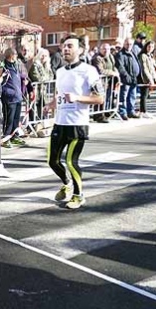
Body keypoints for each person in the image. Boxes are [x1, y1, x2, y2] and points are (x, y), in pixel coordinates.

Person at [45, 34, 104, 210]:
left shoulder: (88, 70)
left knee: (71, 162)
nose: (66, 49)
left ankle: (79, 196)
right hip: (60, 123)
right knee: (52, 161)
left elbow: (100, 98)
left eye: (70, 46)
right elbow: (59, 95)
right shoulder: (60, 71)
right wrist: (51, 104)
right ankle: (67, 183)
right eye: (64, 46)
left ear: (80, 50)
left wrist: (77, 98)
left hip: (77, 124)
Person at [0, 48, 26, 147]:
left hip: (17, 96)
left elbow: (18, 76)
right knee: (9, 120)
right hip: (9, 97)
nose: (16, 56)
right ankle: (5, 138)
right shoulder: (3, 66)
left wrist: (24, 79)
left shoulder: (16, 65)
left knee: (16, 119)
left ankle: (14, 136)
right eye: (15, 54)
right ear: (10, 55)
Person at [114, 37, 141, 120]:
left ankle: (131, 111)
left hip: (134, 79)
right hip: (125, 80)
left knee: (132, 97)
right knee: (123, 97)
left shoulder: (133, 53)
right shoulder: (120, 54)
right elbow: (120, 67)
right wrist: (127, 76)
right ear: (124, 44)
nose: (129, 45)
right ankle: (123, 112)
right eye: (127, 44)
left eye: (130, 44)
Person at [138, 41, 156, 118]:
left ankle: (142, 111)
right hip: (144, 78)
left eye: (152, 47)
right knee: (144, 95)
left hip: (150, 77)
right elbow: (144, 69)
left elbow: (152, 68)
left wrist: (155, 77)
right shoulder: (143, 55)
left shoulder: (150, 56)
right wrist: (150, 79)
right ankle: (143, 111)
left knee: (145, 95)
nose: (150, 48)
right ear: (146, 47)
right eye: (149, 46)